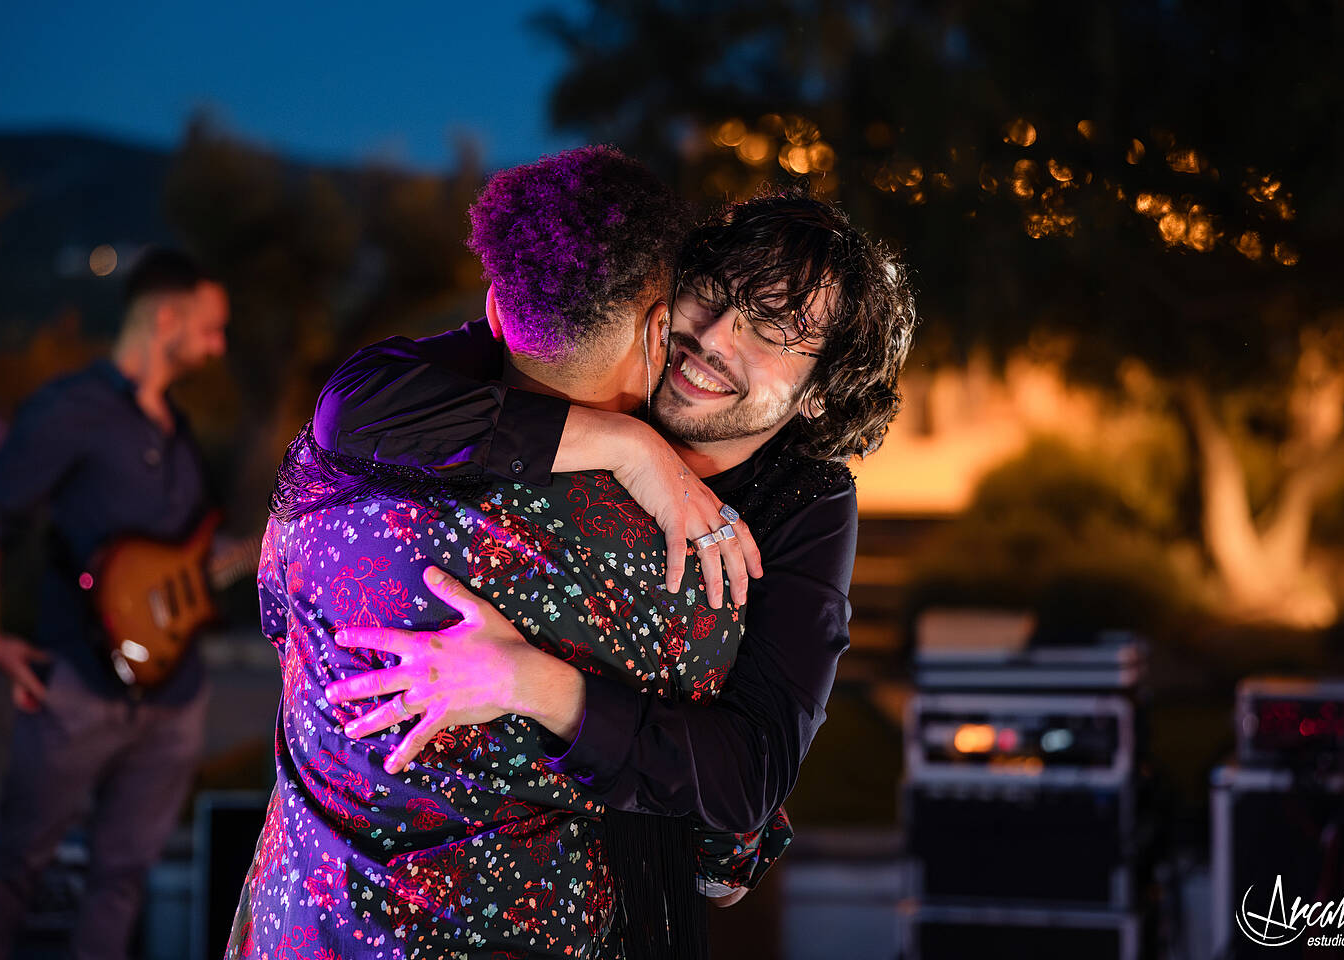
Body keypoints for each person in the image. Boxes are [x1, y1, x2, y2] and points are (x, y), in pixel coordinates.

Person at [227, 146, 787, 960]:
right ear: (658, 328)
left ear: (495, 309)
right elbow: (719, 838)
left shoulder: (327, 477)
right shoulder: (678, 566)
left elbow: (275, 613)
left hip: (303, 932)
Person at [316, 182, 916, 845]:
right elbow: (352, 407)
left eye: (772, 331)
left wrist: (533, 683)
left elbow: (749, 776)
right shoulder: (588, 359)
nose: (712, 339)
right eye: (713, 295)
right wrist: (624, 444)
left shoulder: (804, 501)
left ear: (821, 395)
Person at [0, 249, 230, 960]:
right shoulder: (71, 409)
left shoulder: (178, 427)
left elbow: (189, 553)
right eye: (209, 327)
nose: (218, 344)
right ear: (164, 317)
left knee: (123, 879)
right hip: (76, 681)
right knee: (18, 863)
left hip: (176, 696)